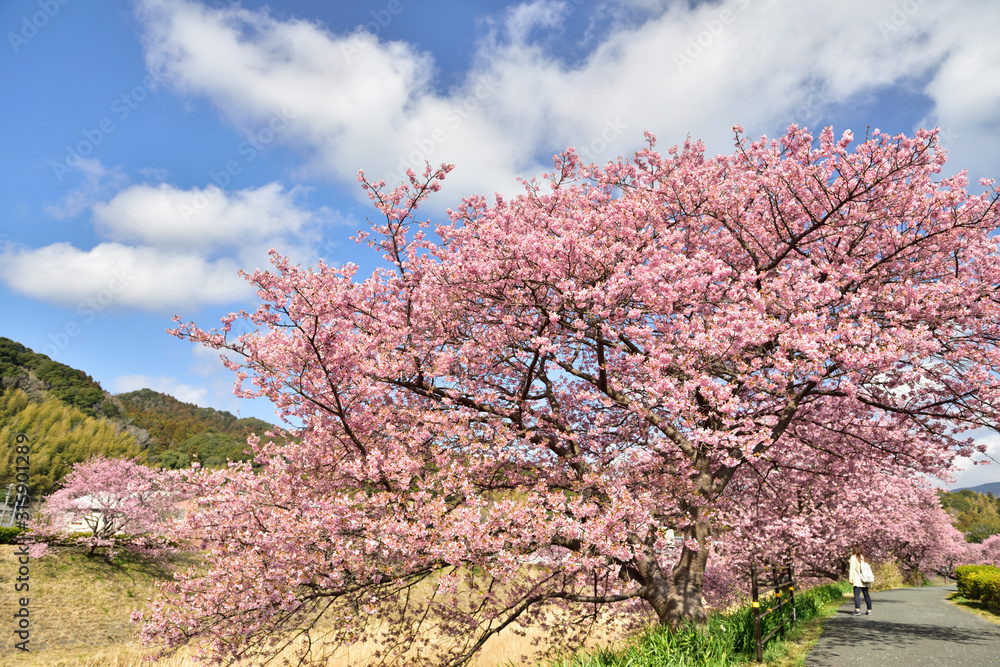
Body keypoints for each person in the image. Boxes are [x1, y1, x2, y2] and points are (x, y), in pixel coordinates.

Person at [849, 545, 872, 615]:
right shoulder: (862, 557)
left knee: (856, 594)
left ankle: (857, 609)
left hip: (858, 579)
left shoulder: (853, 557)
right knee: (866, 595)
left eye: (852, 549)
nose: (851, 550)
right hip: (864, 579)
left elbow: (852, 569)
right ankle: (869, 610)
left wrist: (850, 579)